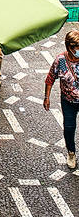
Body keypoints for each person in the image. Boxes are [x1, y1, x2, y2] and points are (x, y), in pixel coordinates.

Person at [44, 30, 79, 169]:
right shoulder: (61, 60)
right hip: (68, 101)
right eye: (76, 47)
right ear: (69, 48)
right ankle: (71, 152)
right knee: (69, 128)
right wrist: (47, 97)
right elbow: (50, 78)